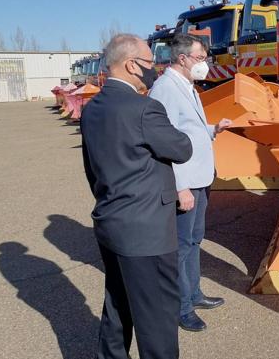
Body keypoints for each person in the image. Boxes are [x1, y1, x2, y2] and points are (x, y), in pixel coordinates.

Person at [81, 33, 192, 359]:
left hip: (111, 223)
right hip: (147, 234)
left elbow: (93, 170)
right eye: (149, 63)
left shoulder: (92, 108)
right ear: (131, 65)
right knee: (156, 319)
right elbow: (182, 148)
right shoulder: (144, 108)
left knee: (117, 305)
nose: (154, 69)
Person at [148, 34, 232, 332]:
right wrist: (179, 186)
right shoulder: (166, 89)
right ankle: (181, 307)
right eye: (199, 58)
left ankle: (194, 294)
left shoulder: (187, 85)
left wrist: (213, 128)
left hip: (200, 177)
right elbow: (162, 141)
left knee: (195, 240)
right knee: (181, 246)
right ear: (182, 59)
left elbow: (187, 127)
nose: (204, 64)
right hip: (185, 181)